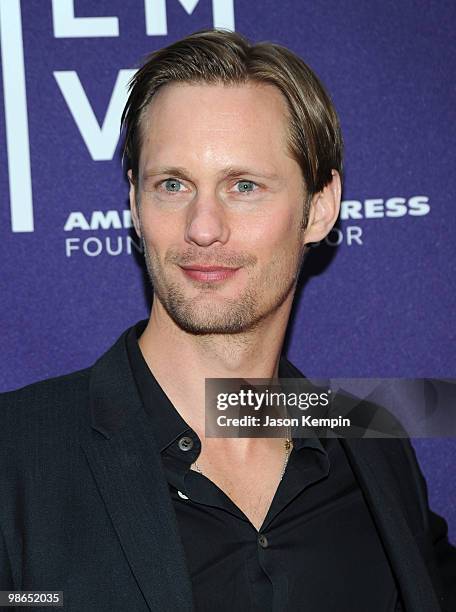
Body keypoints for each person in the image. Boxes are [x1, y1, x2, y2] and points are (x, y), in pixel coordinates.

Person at [0, 28, 454, 612]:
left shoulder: (374, 449)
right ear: (136, 204)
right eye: (172, 185)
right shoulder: (16, 458)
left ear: (319, 208)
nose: (203, 227)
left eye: (243, 186)